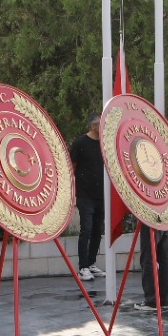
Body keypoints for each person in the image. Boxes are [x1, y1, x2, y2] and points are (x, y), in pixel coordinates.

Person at [69, 115, 105, 281]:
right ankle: (83, 267)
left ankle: (91, 263)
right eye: (100, 123)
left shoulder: (103, 143)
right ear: (93, 126)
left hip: (101, 195)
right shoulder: (80, 143)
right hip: (85, 196)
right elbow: (72, 167)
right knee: (86, 230)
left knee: (98, 230)